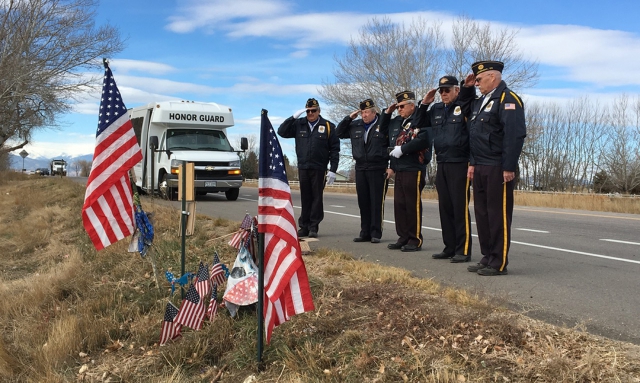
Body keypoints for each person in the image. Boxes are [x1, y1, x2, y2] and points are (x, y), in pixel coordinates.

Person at [458, 60, 526, 276]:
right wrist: (466, 88)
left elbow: (514, 135)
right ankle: (487, 256)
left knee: (498, 215)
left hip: (498, 167)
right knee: (483, 214)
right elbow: (468, 119)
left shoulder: (508, 100)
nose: (476, 83)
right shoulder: (480, 101)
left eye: (478, 79)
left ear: (493, 77)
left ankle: (498, 262)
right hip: (480, 166)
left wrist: (508, 167)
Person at [414, 76, 473, 263]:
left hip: (460, 162)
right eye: (441, 91)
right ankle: (449, 247)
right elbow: (418, 123)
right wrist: (424, 103)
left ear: (456, 90)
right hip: (442, 162)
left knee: (459, 206)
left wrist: (467, 89)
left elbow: (472, 128)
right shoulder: (437, 109)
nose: (444, 94)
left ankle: (462, 250)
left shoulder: (463, 105)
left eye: (447, 90)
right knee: (445, 207)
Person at [277, 98, 340, 238]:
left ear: (319, 111)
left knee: (316, 198)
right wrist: (294, 117)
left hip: (319, 167)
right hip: (303, 166)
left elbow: (335, 149)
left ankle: (313, 227)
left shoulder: (329, 126)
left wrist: (333, 169)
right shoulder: (299, 124)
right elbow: (281, 131)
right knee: (305, 197)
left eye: (313, 111)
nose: (311, 113)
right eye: (308, 111)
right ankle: (304, 226)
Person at [381, 91, 431, 252]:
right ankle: (403, 237)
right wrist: (387, 113)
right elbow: (383, 132)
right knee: (400, 204)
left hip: (413, 166)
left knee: (412, 204)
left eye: (402, 106)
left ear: (412, 105)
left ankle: (414, 238)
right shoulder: (398, 121)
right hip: (400, 167)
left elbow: (423, 139)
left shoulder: (421, 118)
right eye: (398, 107)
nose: (399, 110)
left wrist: (403, 149)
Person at [336, 99, 389, 243]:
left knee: (376, 201)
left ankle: (376, 233)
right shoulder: (355, 125)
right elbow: (338, 132)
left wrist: (391, 166)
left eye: (367, 112)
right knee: (363, 201)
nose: (364, 115)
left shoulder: (383, 124)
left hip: (378, 168)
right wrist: (349, 118)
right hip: (360, 167)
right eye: (362, 113)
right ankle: (364, 232)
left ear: (374, 112)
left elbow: (391, 145)